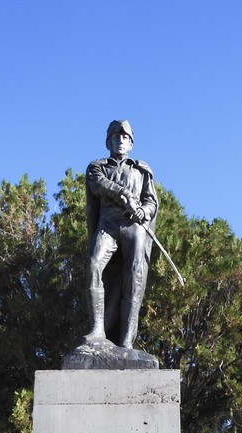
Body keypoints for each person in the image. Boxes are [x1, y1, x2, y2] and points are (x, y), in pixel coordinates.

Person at [84, 120, 158, 349]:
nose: (120, 141)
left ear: (131, 143)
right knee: (94, 266)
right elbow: (98, 184)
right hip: (108, 225)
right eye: (116, 137)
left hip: (133, 228)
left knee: (134, 280)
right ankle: (98, 329)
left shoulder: (141, 170)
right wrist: (122, 193)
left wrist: (143, 211)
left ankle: (126, 341)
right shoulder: (98, 167)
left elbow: (151, 202)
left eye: (125, 138)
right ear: (109, 141)